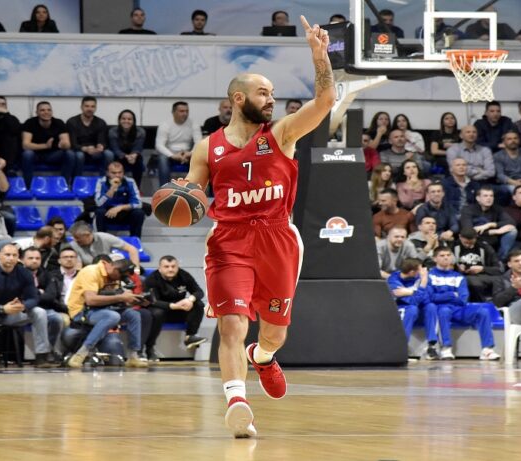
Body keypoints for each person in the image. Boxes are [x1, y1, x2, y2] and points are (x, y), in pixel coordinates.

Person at [182, 15, 335, 438]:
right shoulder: (206, 148)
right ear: (238, 98)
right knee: (231, 323)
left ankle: (263, 357)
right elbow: (192, 196)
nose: (271, 100)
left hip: (277, 237)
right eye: (263, 93)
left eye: (272, 93)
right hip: (229, 241)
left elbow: (325, 101)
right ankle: (238, 403)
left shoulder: (282, 134)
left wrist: (319, 56)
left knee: (274, 334)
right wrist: (180, 198)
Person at [0, 243, 59, 367]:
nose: (11, 258)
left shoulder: (25, 273)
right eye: (7, 255)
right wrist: (1, 308)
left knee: (39, 312)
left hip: (13, 314)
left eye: (14, 255)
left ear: (18, 258)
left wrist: (23, 306)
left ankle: (41, 356)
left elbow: (33, 298)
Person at [64, 256, 148, 368]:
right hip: (82, 311)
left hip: (104, 309)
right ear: (115, 270)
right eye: (122, 276)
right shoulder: (91, 272)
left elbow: (114, 299)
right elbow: (90, 300)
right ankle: (81, 354)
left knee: (134, 315)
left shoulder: (114, 276)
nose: (122, 279)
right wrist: (121, 297)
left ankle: (133, 356)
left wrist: (134, 301)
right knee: (113, 316)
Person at [425, 247, 500, 361]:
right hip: (441, 309)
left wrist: (442, 296)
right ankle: (446, 348)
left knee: (483, 311)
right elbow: (430, 297)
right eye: (442, 255)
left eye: (448, 255)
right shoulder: (429, 276)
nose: (446, 258)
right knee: (444, 311)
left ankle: (487, 349)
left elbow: (463, 299)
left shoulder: (459, 277)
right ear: (435, 259)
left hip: (458, 309)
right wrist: (451, 295)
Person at [143, 255, 207, 360]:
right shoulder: (152, 279)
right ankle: (149, 349)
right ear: (160, 268)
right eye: (166, 266)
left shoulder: (183, 275)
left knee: (198, 304)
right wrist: (172, 306)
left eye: (173, 266)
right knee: (157, 313)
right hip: (161, 310)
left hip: (178, 310)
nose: (170, 269)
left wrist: (190, 299)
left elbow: (199, 291)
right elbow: (152, 301)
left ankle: (190, 336)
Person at [387, 258, 438, 359]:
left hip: (419, 308)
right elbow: (413, 301)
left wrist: (409, 291)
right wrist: (421, 286)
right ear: (412, 272)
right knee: (412, 309)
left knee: (431, 306)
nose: (423, 271)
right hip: (402, 310)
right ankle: (401, 347)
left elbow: (427, 298)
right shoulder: (393, 280)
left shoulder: (422, 277)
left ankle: (431, 346)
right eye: (420, 269)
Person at [21, 247, 67, 358]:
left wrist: (33, 294)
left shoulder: (47, 274)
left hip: (45, 307)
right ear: (22, 260)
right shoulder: (17, 274)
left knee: (57, 318)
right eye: (30, 258)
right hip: (23, 309)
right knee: (39, 313)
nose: (34, 261)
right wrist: (38, 292)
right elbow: (20, 295)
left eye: (37, 258)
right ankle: (41, 353)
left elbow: (50, 296)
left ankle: (49, 349)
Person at [21, 101, 77, 188]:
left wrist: (64, 145)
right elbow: (25, 145)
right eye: (42, 110)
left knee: (70, 154)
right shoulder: (30, 123)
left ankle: (63, 185)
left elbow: (67, 144)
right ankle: (28, 186)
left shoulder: (59, 123)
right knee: (27, 154)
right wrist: (45, 146)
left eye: (49, 110)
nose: (46, 112)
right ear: (37, 112)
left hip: (53, 155)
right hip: (35, 154)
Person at [459, 186, 518, 260]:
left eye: (491, 196)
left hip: (493, 239)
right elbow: (468, 230)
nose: (489, 198)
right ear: (478, 198)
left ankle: (501, 259)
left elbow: (511, 222)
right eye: (485, 196)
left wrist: (490, 225)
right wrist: (492, 232)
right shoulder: (468, 209)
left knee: (512, 231)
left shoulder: (497, 208)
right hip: (476, 239)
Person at [93, 161, 147, 239]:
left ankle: (135, 240)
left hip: (125, 213)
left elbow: (138, 203)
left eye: (120, 172)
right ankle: (102, 240)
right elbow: (98, 203)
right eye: (114, 173)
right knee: (99, 212)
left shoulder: (130, 182)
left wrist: (119, 208)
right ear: (108, 173)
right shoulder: (101, 182)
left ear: (123, 172)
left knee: (139, 213)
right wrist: (112, 189)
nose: (117, 175)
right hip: (108, 214)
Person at [154, 101, 202, 186]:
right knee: (162, 159)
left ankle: (197, 189)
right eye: (182, 111)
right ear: (173, 112)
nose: (185, 114)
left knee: (200, 157)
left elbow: (199, 142)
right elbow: (159, 145)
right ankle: (165, 188)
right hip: (170, 155)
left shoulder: (194, 124)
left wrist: (190, 153)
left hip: (187, 154)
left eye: (187, 111)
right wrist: (172, 155)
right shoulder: (165, 125)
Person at [67, 97, 113, 177]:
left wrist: (100, 146)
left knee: (109, 154)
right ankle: (77, 180)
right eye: (87, 106)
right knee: (79, 155)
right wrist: (85, 149)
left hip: (95, 151)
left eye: (92, 106)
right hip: (79, 150)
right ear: (81, 107)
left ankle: (103, 179)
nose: (89, 109)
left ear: (95, 108)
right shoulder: (72, 122)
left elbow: (103, 141)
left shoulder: (101, 122)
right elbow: (73, 144)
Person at [452, 227, 502, 302]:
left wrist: (482, 269)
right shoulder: (453, 246)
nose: (468, 245)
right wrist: (457, 268)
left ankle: (492, 303)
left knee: (498, 280)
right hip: (461, 276)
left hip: (483, 275)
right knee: (470, 280)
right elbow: (446, 264)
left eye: (471, 243)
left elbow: (498, 269)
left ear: (476, 238)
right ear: (460, 237)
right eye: (465, 243)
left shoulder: (485, 247)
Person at [69, 221, 140, 267]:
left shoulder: (105, 237)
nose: (75, 240)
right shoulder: (73, 245)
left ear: (88, 235)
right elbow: (77, 266)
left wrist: (136, 271)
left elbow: (132, 249)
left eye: (77, 237)